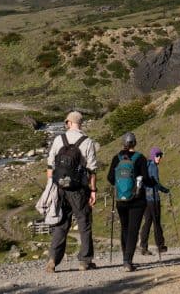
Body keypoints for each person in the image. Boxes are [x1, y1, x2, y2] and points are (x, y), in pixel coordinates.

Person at [45, 110, 99, 273]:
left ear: (69, 123)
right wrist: (93, 191)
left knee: (61, 223)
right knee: (84, 223)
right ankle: (84, 261)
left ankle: (53, 260)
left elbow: (50, 166)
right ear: (80, 123)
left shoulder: (58, 140)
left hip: (60, 188)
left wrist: (51, 186)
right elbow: (92, 169)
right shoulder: (87, 142)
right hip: (79, 189)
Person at [107, 131, 155, 271]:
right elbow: (145, 178)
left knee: (125, 228)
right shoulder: (140, 158)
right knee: (133, 230)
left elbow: (110, 178)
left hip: (121, 200)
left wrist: (121, 185)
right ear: (135, 143)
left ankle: (124, 258)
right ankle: (128, 261)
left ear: (123, 143)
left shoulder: (116, 158)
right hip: (137, 200)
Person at [139, 146, 170, 256]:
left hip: (145, 199)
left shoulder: (146, 165)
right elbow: (156, 183)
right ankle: (160, 246)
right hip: (153, 198)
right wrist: (165, 190)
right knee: (156, 222)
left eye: (160, 155)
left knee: (147, 222)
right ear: (153, 156)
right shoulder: (153, 167)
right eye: (157, 155)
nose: (159, 157)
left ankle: (143, 246)